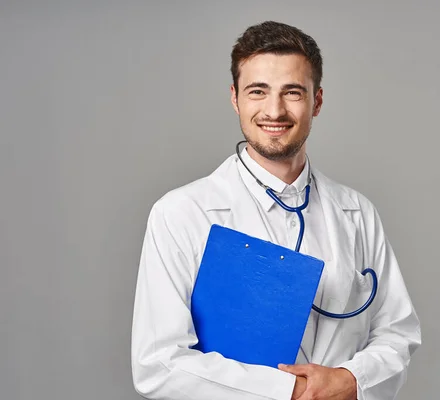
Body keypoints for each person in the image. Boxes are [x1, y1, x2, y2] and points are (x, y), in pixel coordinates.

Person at [131, 20, 421, 400]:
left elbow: (398, 333)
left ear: (316, 101)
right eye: (257, 91)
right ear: (235, 98)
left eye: (293, 92)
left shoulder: (357, 212)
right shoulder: (183, 214)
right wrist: (293, 392)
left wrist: (351, 380)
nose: (275, 110)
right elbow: (159, 364)